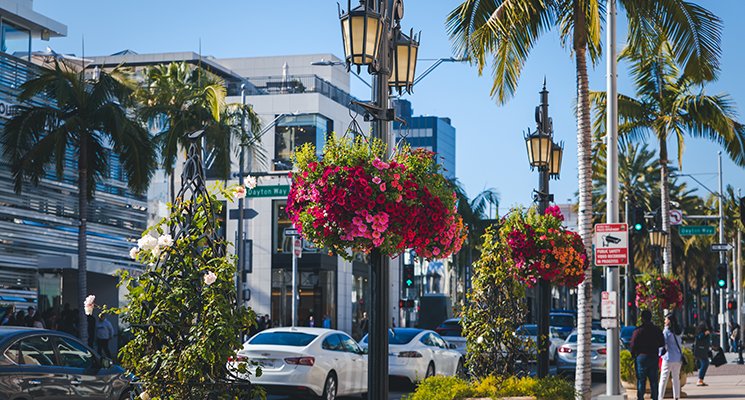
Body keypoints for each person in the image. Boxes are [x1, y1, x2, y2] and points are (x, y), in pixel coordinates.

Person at [630, 310, 665, 400]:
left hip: (641, 356)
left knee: (641, 380)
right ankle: (655, 397)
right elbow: (662, 343)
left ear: (642, 318)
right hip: (653, 356)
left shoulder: (638, 331)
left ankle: (640, 397)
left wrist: (633, 354)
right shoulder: (656, 330)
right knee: (654, 380)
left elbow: (633, 344)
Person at [658, 313, 683, 400]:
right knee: (676, 378)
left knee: (663, 378)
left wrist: (659, 354)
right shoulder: (678, 331)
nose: (665, 321)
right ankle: (676, 396)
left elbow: (662, 344)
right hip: (678, 358)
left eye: (666, 319)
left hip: (668, 357)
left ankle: (660, 397)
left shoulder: (666, 332)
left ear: (669, 321)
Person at [694, 322, 711, 386]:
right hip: (701, 351)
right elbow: (699, 337)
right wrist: (704, 333)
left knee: (705, 363)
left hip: (703, 350)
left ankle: (701, 379)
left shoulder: (702, 333)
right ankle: (700, 379)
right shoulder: (701, 333)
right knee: (705, 363)